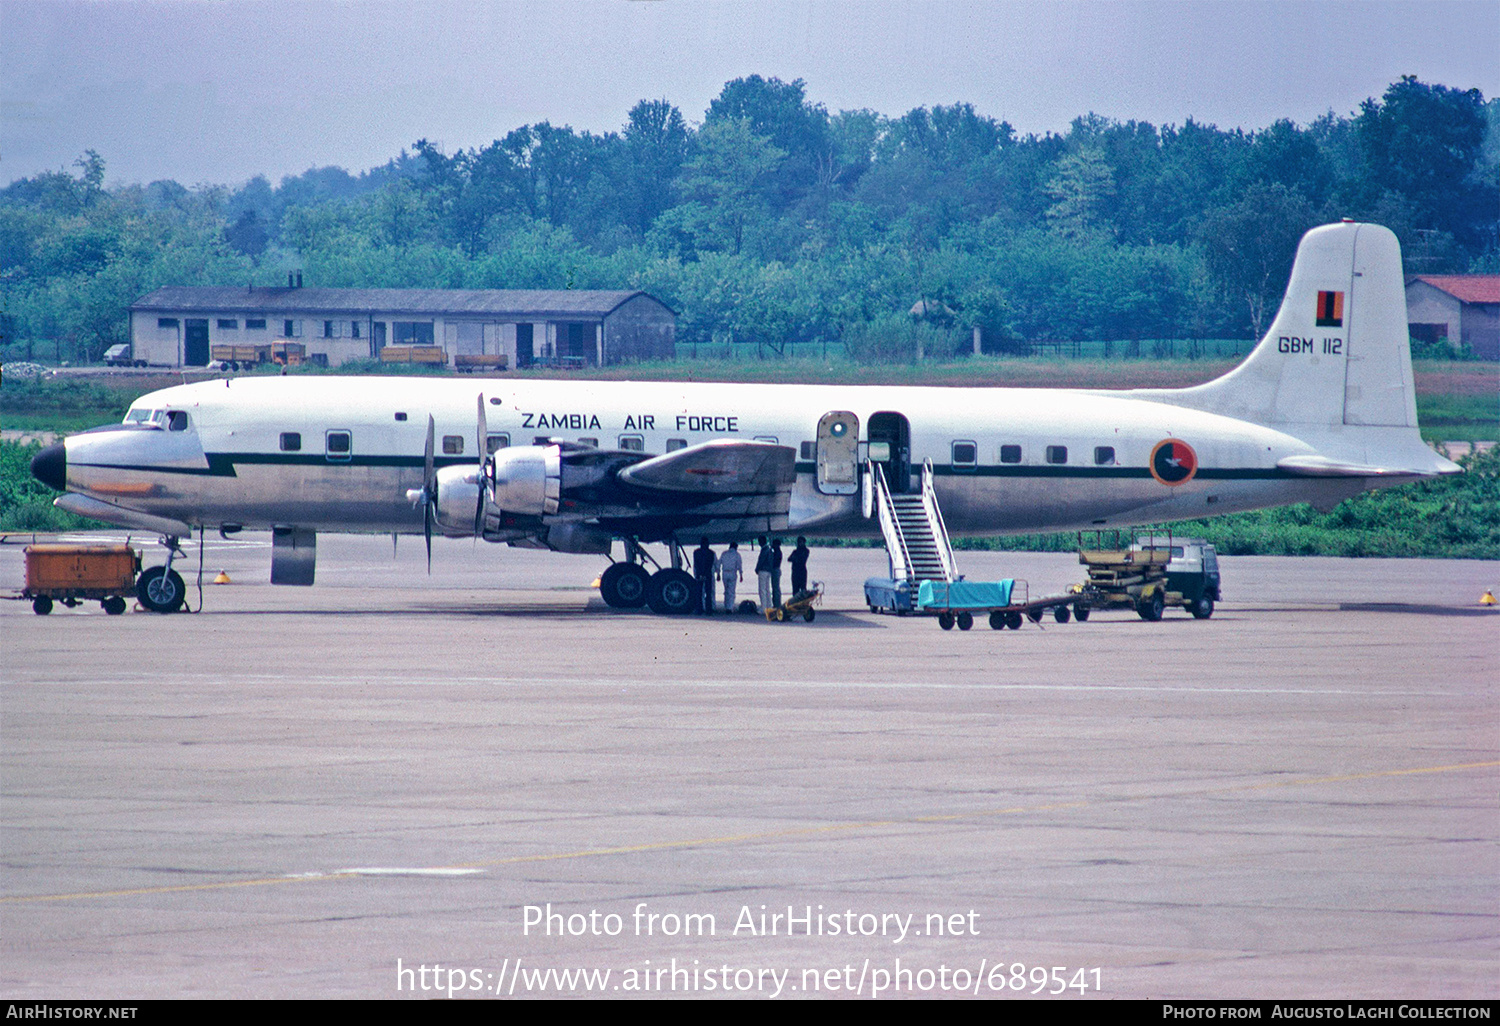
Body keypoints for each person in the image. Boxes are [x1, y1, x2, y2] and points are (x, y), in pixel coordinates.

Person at [692, 539, 717, 614]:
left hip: (699, 574)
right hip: (708, 574)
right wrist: (705, 574)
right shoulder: (711, 553)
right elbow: (710, 564)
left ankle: (699, 609)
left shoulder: (696, 552)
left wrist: (699, 574)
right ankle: (709, 610)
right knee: (708, 593)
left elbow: (696, 564)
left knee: (699, 593)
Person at [718, 541, 743, 613]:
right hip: (732, 573)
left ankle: (726, 605)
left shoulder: (724, 554)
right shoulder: (737, 555)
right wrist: (741, 575)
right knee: (731, 591)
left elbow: (719, 563)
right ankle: (730, 607)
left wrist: (718, 573)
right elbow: (739, 565)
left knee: (726, 590)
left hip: (725, 573)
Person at [755, 537, 773, 613]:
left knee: (762, 590)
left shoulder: (764, 550)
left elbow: (761, 560)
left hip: (763, 570)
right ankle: (769, 606)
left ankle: (763, 608)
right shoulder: (770, 550)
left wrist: (757, 568)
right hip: (769, 570)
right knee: (767, 589)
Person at [770, 538, 783, 610]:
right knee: (775, 587)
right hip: (776, 570)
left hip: (775, 570)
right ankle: (776, 603)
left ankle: (777, 604)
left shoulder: (777, 552)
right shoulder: (777, 552)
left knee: (776, 588)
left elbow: (774, 562)